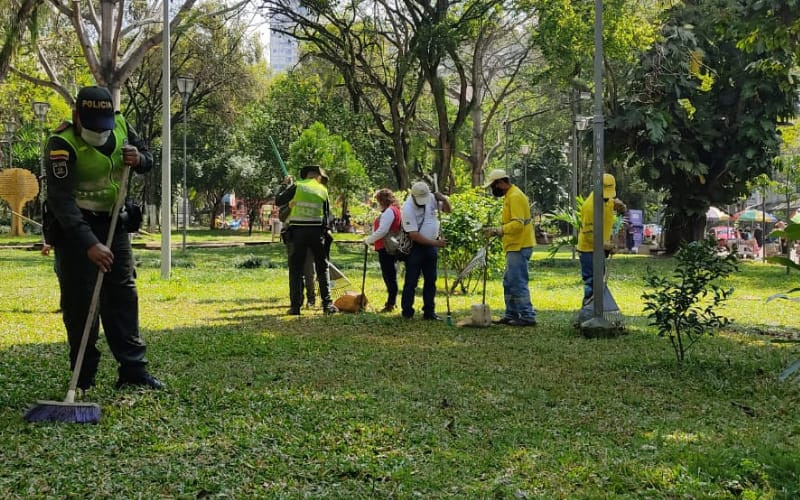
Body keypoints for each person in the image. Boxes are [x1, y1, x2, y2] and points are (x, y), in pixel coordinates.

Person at [43, 85, 162, 390]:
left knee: (123, 295)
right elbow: (62, 202)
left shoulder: (121, 124)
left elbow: (148, 156)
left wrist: (139, 159)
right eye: (93, 127)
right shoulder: (61, 143)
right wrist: (89, 244)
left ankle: (133, 371)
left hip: (115, 226)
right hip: (77, 232)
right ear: (77, 117)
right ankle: (82, 376)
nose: (100, 133)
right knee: (80, 303)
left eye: (104, 127)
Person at [275, 164, 336, 315]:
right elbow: (327, 215)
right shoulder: (323, 189)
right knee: (322, 269)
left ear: (306, 175)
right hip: (317, 234)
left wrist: (284, 185)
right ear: (319, 176)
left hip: (298, 233)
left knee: (296, 270)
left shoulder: (298, 186)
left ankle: (295, 306)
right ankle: (327, 305)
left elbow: (278, 201)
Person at [482, 169, 537, 327]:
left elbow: (518, 224)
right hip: (514, 244)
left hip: (520, 245)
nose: (494, 190)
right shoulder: (510, 196)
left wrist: (498, 230)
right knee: (508, 282)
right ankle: (511, 314)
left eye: (494, 186)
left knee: (518, 282)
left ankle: (527, 316)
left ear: (501, 183)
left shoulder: (515, 196)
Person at [400, 181, 449, 320]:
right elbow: (414, 235)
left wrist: (444, 199)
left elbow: (447, 210)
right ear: (413, 196)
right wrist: (436, 243)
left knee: (431, 280)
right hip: (416, 247)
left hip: (432, 246)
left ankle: (429, 311)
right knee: (411, 281)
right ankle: (407, 311)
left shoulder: (431, 198)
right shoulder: (407, 208)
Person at [576, 173, 626, 305]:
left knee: (599, 281)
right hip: (588, 249)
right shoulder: (589, 207)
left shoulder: (607, 200)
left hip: (600, 249)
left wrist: (619, 205)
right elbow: (589, 235)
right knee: (592, 283)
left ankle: (597, 309)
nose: (607, 197)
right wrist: (606, 246)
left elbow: (610, 204)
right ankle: (588, 311)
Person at [364, 188, 402, 313]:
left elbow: (382, 231)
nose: (377, 204)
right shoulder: (395, 210)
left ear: (383, 200)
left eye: (378, 201)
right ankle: (392, 302)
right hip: (387, 247)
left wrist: (369, 240)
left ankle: (390, 303)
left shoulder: (389, 211)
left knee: (389, 276)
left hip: (386, 247)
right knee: (390, 275)